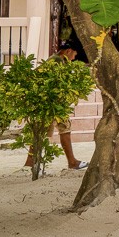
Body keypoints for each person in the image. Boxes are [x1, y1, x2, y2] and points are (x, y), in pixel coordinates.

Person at [23, 38, 88, 171]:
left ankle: (30, 163)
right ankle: (72, 162)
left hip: (46, 102)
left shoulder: (54, 59)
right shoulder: (57, 61)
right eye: (74, 55)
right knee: (63, 129)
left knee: (41, 132)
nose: (74, 58)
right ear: (68, 51)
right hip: (51, 103)